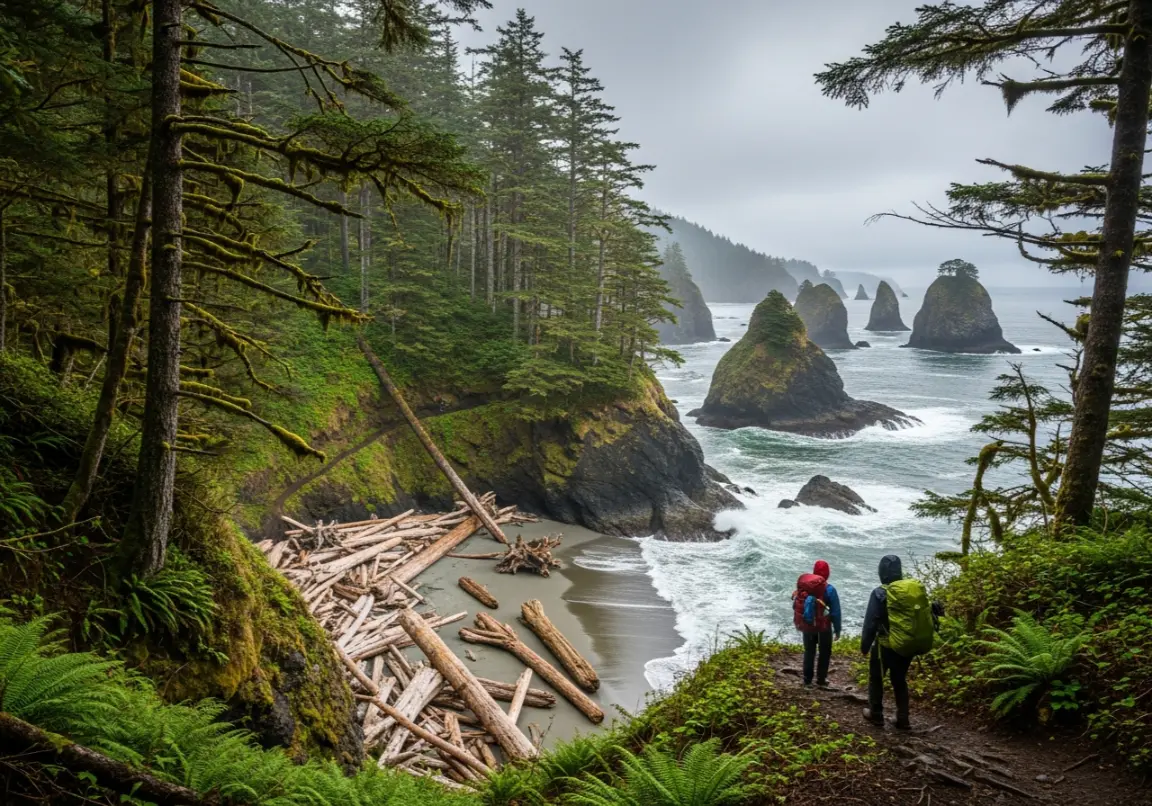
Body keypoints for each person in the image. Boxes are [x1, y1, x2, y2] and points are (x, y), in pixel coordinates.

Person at [860, 554, 941, 729]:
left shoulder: (879, 593)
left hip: (885, 645)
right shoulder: (911, 591)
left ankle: (876, 714)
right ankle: (903, 718)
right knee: (899, 679)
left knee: (876, 678)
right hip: (906, 643)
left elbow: (870, 623)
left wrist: (865, 646)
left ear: (882, 572)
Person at [793, 559, 841, 687]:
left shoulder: (805, 586)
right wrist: (837, 630)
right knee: (825, 652)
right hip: (823, 627)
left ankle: (807, 679)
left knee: (809, 651)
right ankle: (821, 679)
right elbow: (835, 612)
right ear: (827, 573)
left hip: (808, 624)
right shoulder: (829, 589)